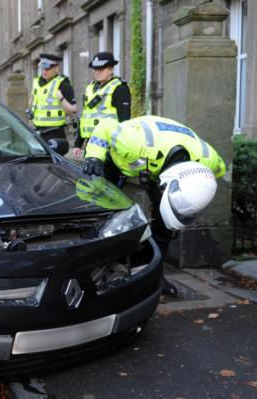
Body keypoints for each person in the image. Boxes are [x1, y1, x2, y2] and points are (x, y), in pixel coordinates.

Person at [82, 116, 226, 296]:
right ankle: (102, 269)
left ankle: (155, 274)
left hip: (159, 165)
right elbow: (106, 125)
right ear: (166, 185)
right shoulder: (133, 143)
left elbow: (218, 171)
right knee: (108, 214)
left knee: (163, 226)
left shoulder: (209, 160)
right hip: (120, 158)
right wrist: (94, 156)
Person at [73, 51, 131, 159]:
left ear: (112, 69)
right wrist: (77, 144)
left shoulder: (120, 88)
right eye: (96, 69)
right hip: (90, 146)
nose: (97, 72)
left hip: (108, 146)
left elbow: (124, 121)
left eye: (102, 69)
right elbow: (86, 118)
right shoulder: (91, 88)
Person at [26, 53, 77, 143]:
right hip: (38, 132)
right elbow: (31, 104)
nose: (44, 71)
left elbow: (73, 112)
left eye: (48, 69)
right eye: (43, 68)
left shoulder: (64, 84)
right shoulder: (36, 82)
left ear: (56, 68)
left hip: (55, 133)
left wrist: (60, 98)